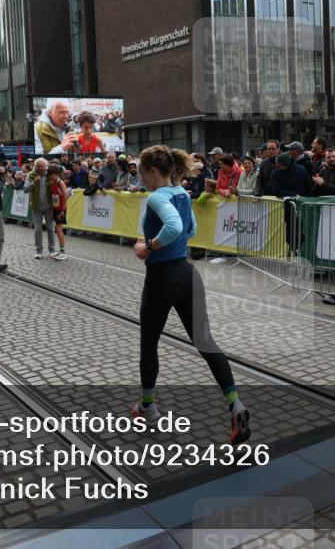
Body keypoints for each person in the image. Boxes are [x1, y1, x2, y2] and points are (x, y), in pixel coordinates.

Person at [131, 145, 250, 444]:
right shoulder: (182, 194)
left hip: (162, 277)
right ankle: (235, 403)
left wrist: (148, 247)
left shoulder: (157, 197)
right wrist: (162, 240)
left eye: (142, 173)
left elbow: (173, 227)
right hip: (187, 275)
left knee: (149, 344)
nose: (141, 179)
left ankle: (148, 407)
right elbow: (191, 230)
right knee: (205, 342)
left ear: (153, 171)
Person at [23, 158, 61, 260]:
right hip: (36, 206)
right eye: (38, 166)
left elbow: (58, 183)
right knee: (38, 229)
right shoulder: (30, 175)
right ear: (35, 167)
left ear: (46, 167)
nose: (40, 168)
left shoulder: (50, 174)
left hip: (49, 206)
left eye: (42, 167)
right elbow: (25, 190)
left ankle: (52, 249)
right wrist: (33, 183)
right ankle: (38, 251)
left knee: (50, 228)